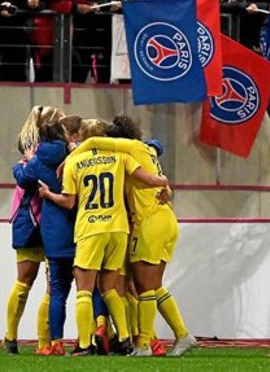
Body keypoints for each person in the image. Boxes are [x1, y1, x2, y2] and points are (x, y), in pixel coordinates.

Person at [38, 119, 168, 355]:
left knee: (84, 290)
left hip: (90, 228)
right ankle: (125, 338)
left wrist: (47, 194)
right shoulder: (121, 157)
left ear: (83, 138)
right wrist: (164, 183)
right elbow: (148, 178)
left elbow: (69, 201)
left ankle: (84, 344)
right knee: (110, 288)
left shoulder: (74, 161)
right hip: (118, 229)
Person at [71, 115, 197, 357]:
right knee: (154, 285)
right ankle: (182, 335)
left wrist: (70, 158)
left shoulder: (129, 149)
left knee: (143, 287)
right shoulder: (146, 150)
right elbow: (157, 164)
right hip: (166, 219)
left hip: (148, 222)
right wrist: (166, 188)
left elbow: (93, 142)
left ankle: (143, 344)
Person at [4, 105, 65, 354]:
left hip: (31, 220)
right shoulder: (60, 152)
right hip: (42, 220)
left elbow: (24, 177)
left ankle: (14, 337)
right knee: (45, 285)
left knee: (27, 283)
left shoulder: (33, 154)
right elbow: (27, 179)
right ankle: (40, 341)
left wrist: (23, 165)